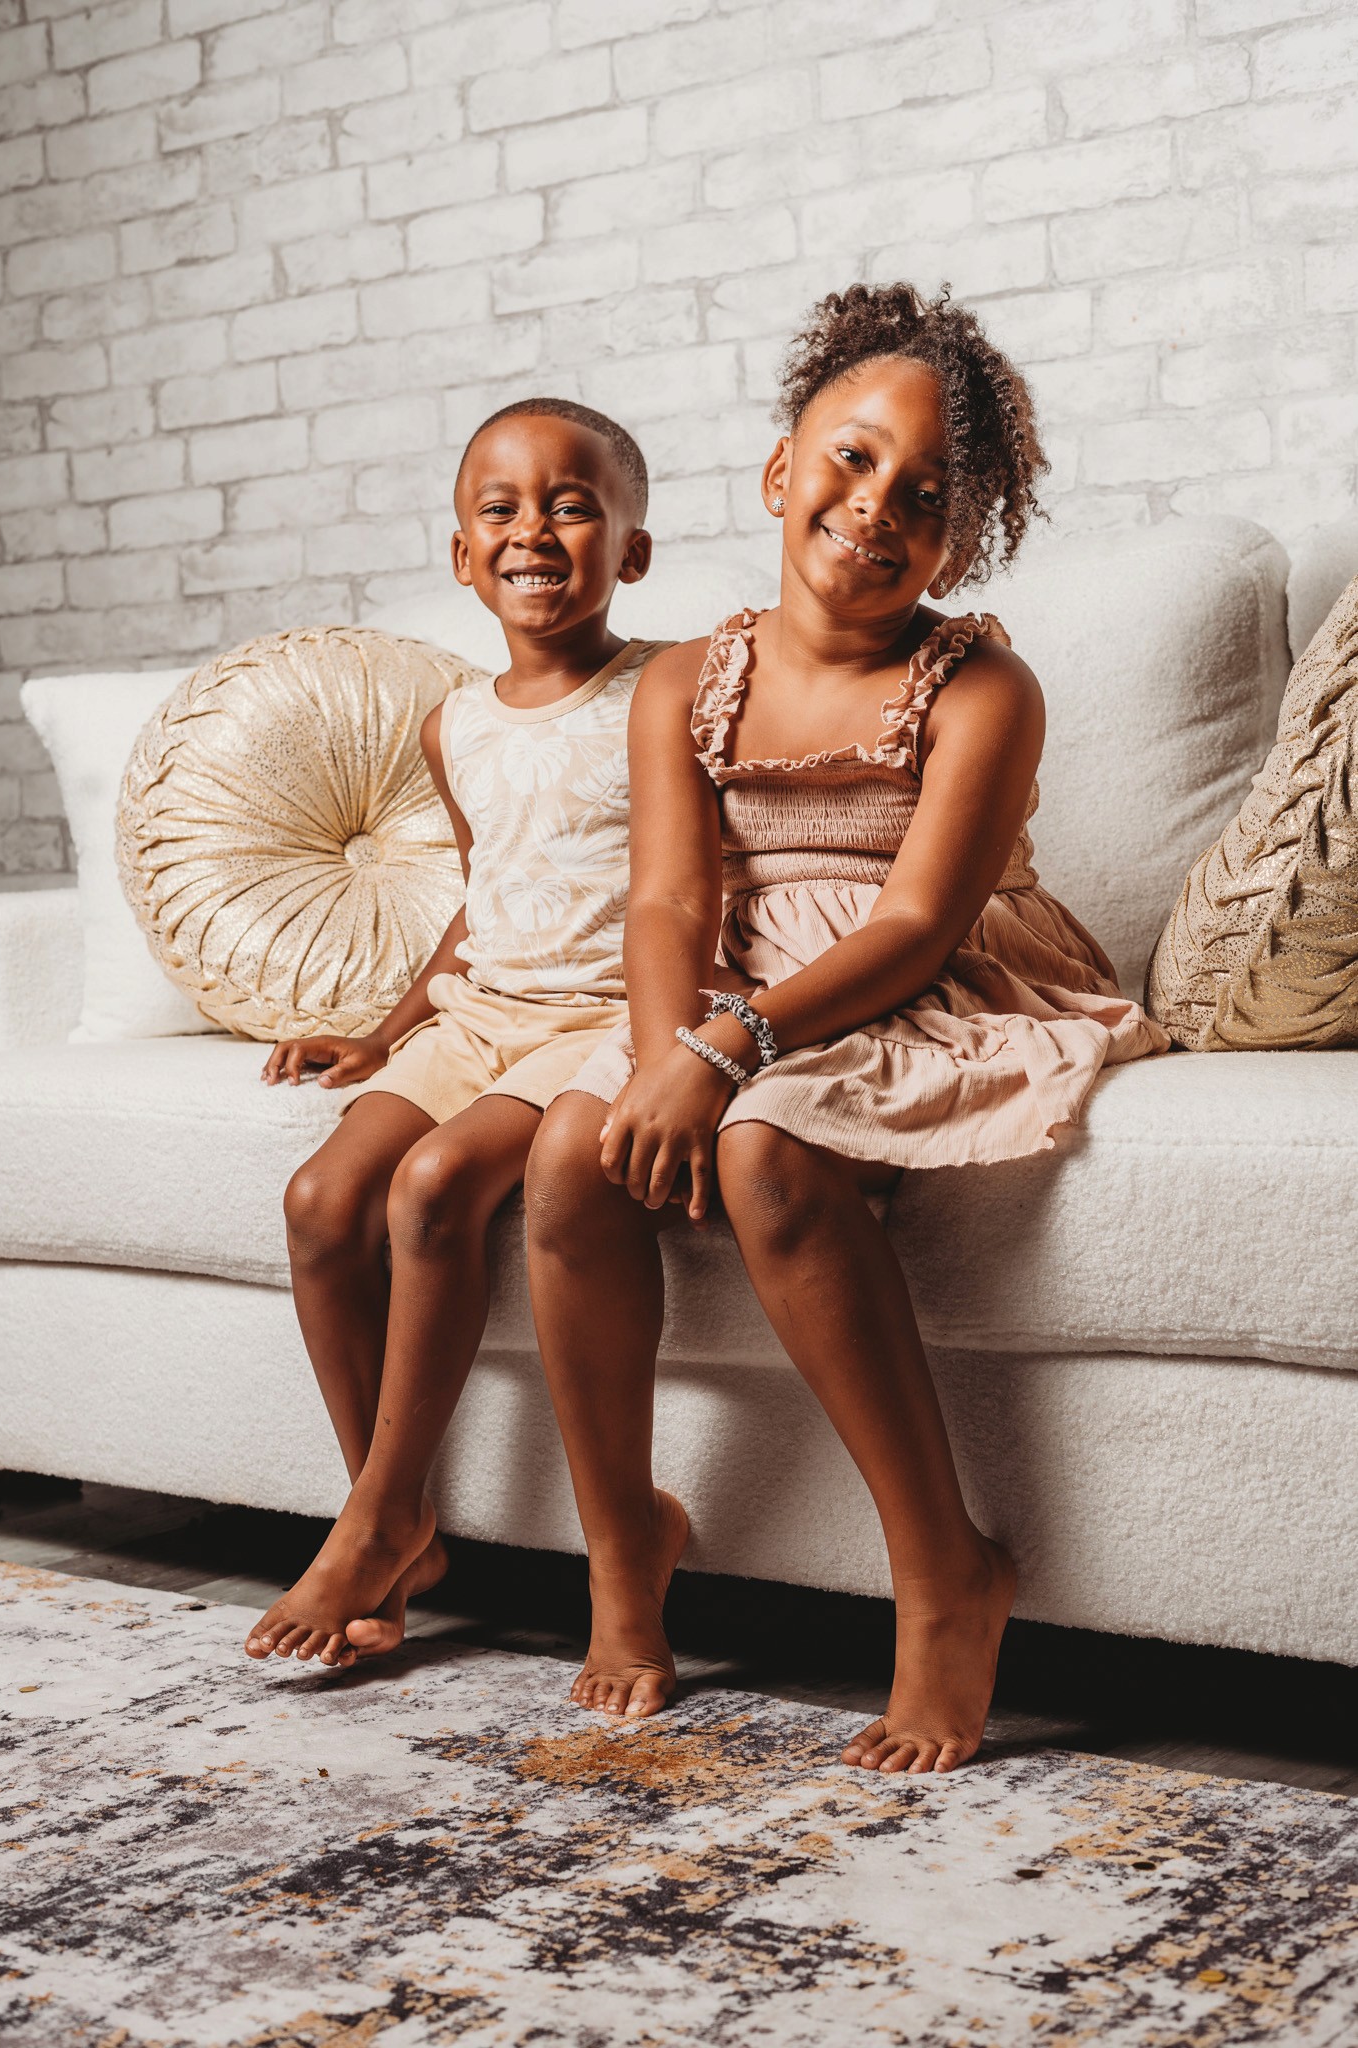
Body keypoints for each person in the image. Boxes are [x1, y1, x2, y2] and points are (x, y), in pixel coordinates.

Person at [522, 284, 1169, 1773]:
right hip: (721, 980)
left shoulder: (983, 686)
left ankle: (948, 1572)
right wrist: (662, 1049)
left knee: (764, 1160)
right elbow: (670, 901)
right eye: (854, 460)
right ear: (779, 471)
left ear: (963, 541)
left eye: (929, 498)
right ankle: (626, 1548)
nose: (878, 508)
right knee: (568, 1160)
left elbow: (915, 928)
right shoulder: (684, 678)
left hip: (897, 982)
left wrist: (728, 1057)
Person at [244, 397, 665, 1670]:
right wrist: (384, 1034)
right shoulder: (456, 721)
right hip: (478, 1013)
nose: (535, 528)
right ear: (462, 555)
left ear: (632, 550)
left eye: (573, 503)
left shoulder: (672, 683)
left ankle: (375, 1516)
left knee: (431, 1187)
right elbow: (480, 899)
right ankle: (404, 1519)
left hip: (593, 1022)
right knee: (322, 1198)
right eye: (502, 508)